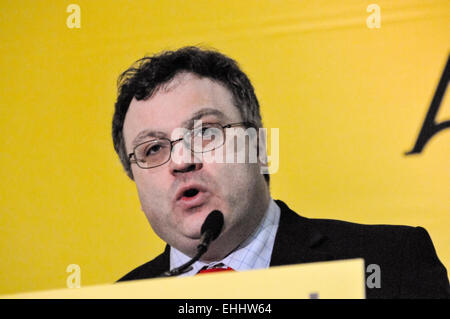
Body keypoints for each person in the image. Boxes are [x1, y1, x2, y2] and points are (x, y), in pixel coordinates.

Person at [112, 46, 450, 298]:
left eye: (206, 133)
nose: (181, 160)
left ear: (259, 149)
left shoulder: (391, 264)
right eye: (152, 149)